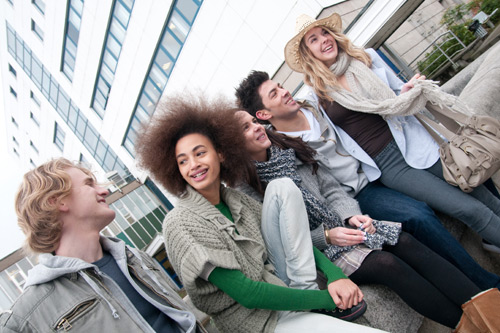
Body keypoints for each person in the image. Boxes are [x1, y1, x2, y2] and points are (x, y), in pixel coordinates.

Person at [135, 96, 385, 333]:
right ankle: (315, 305)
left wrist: (335, 276)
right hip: (258, 320)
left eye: (200, 153)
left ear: (220, 154)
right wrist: (327, 298)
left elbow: (293, 239)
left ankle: (312, 301)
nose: (193, 166)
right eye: (183, 161)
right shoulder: (180, 223)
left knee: (281, 186)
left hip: (284, 285)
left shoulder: (236, 199)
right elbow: (248, 294)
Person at [235, 70, 500, 291]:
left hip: (384, 166)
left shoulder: (316, 104)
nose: (284, 92)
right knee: (419, 216)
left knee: (466, 178)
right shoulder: (279, 145)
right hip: (359, 192)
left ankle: (490, 238)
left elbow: (364, 96)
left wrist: (403, 93)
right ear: (263, 114)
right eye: (274, 94)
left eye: (280, 86)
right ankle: (487, 284)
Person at [283, 12, 500, 250]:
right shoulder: (319, 95)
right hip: (390, 167)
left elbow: (398, 96)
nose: (324, 40)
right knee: (468, 209)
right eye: (313, 39)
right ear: (308, 53)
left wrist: (407, 91)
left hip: (418, 142)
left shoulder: (367, 59)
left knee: (484, 196)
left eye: (324, 33)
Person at [0, 158, 205, 332]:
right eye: (90, 184)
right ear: (57, 201)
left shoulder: (136, 258)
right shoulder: (29, 314)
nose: (104, 191)